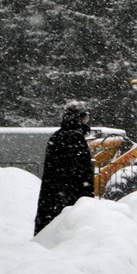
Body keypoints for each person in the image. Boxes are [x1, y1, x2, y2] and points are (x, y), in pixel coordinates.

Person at [34, 101, 95, 235]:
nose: (86, 121)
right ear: (77, 118)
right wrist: (87, 196)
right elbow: (82, 171)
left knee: (50, 227)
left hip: (53, 193)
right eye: (84, 117)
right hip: (70, 194)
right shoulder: (75, 138)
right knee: (66, 229)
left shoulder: (57, 136)